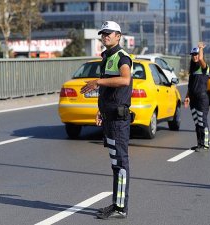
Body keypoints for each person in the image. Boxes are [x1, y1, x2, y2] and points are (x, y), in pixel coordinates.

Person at [80, 21, 133, 220]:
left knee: (120, 163)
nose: (105, 36)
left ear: (118, 36)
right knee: (115, 164)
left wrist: (98, 81)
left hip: (119, 120)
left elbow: (125, 79)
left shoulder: (122, 57)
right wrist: (100, 110)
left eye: (109, 33)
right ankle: (116, 204)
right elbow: (106, 91)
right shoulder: (107, 57)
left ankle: (121, 207)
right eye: (103, 34)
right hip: (109, 117)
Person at [184, 42, 210, 152]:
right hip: (193, 99)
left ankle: (205, 144)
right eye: (193, 54)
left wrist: (200, 49)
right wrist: (187, 97)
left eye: (196, 54)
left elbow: (201, 60)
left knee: (202, 121)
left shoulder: (204, 67)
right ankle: (199, 143)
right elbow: (190, 86)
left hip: (202, 99)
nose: (195, 56)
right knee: (196, 122)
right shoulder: (193, 70)